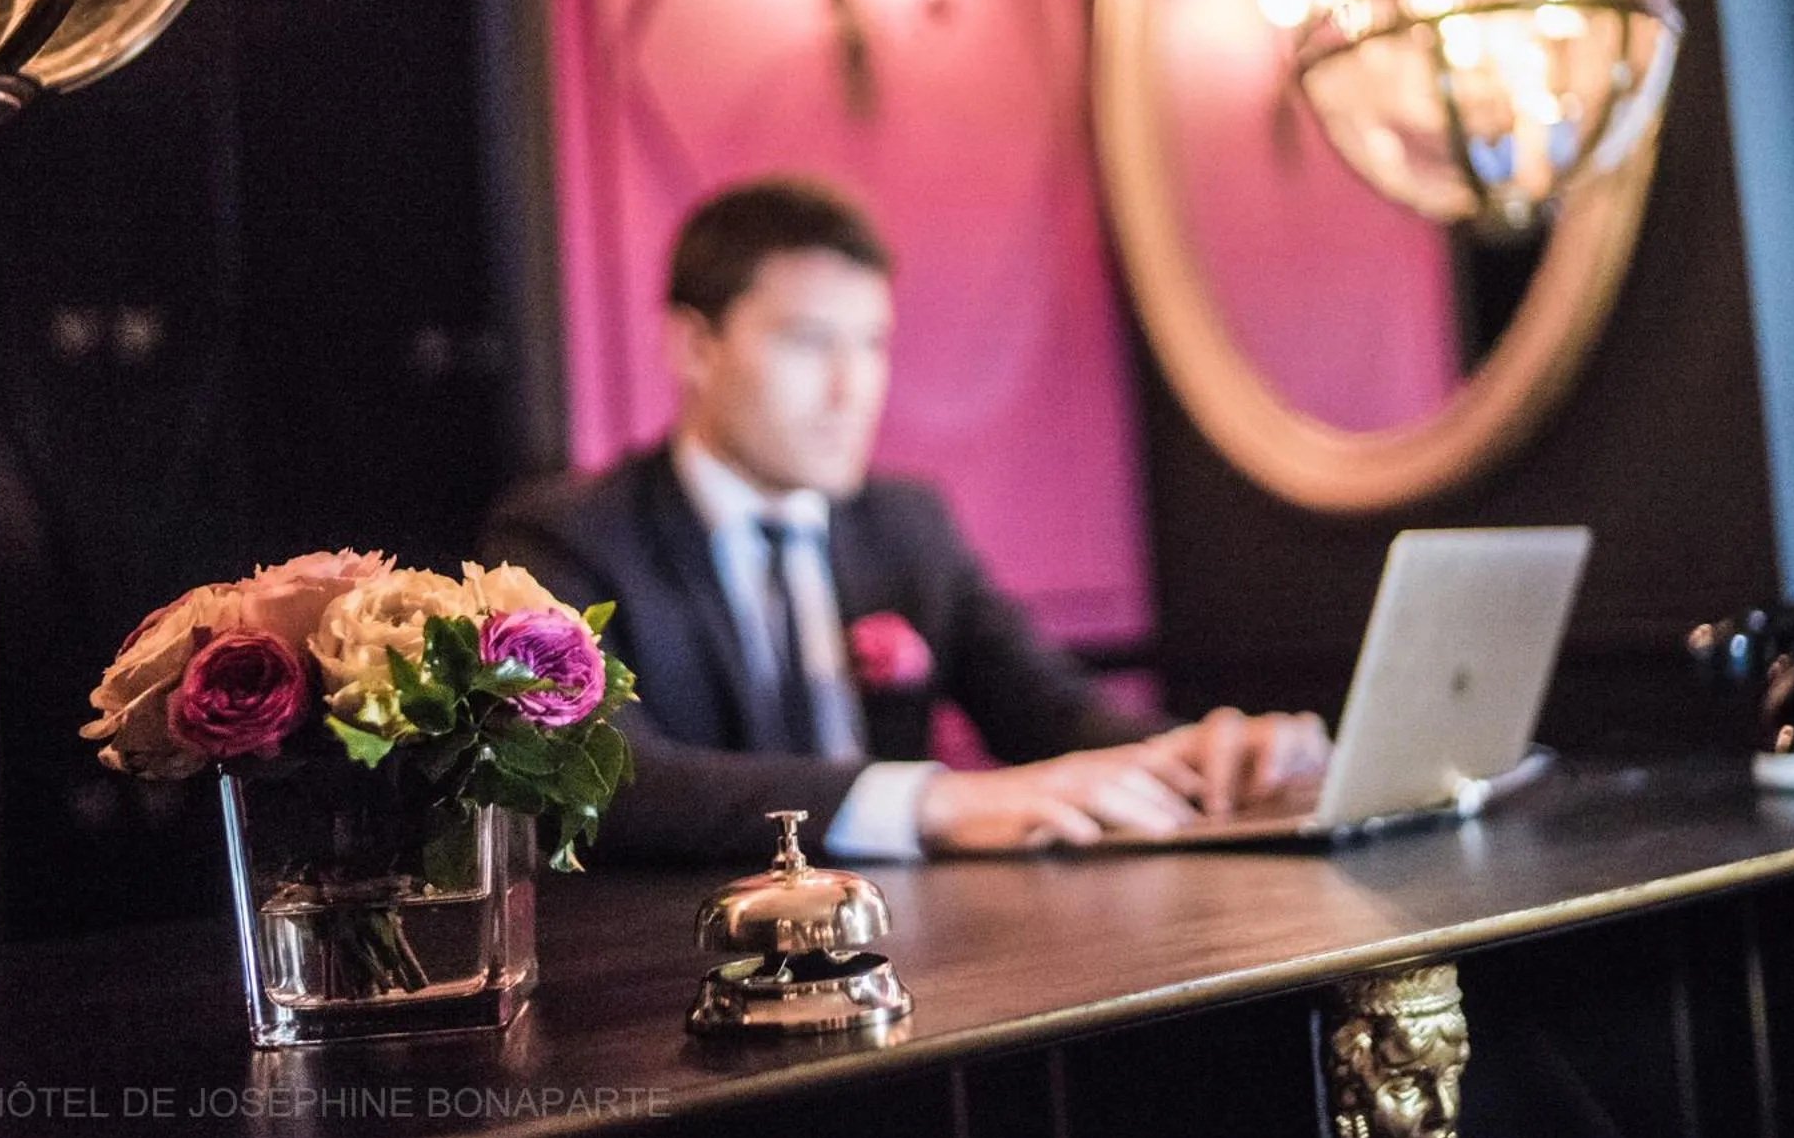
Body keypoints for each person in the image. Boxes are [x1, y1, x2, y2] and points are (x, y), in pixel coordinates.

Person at [482, 177, 1329, 861]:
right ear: (694, 347)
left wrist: (1209, 754)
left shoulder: (907, 527)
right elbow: (615, 782)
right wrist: (933, 800)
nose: (854, 390)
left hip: (909, 957)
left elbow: (1052, 713)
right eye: (811, 344)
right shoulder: (567, 540)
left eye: (874, 344)